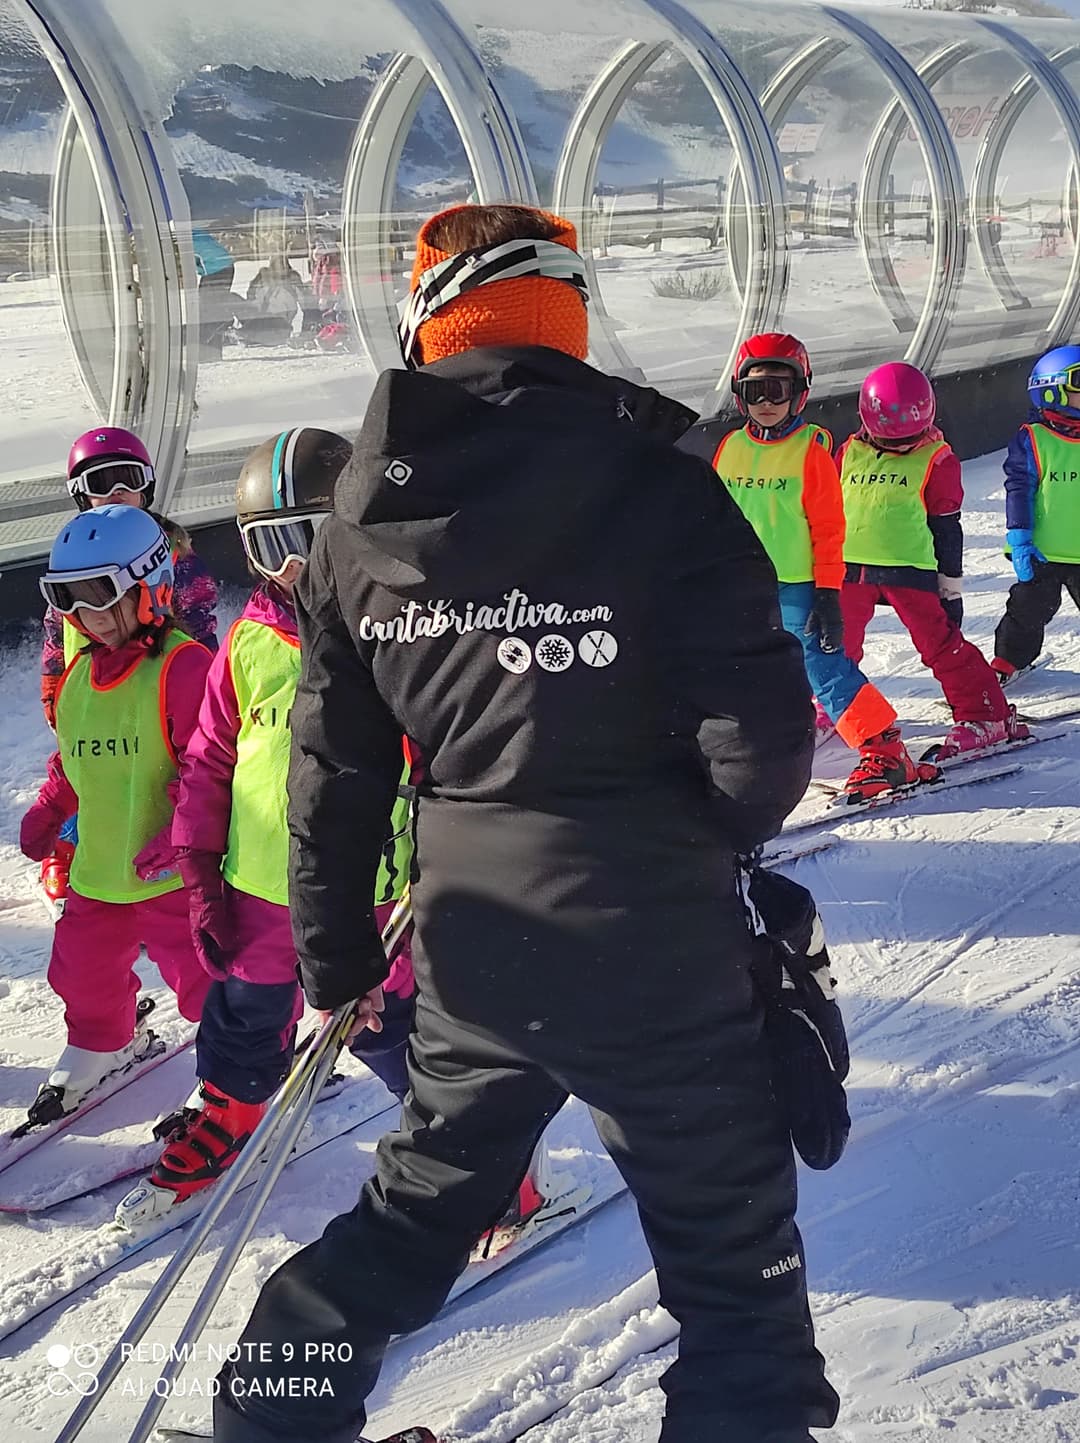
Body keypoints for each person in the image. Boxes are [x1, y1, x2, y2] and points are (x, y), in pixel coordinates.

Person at [212, 203, 837, 1443]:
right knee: (732, 1272)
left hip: (472, 948)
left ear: (431, 323)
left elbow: (335, 775)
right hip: (658, 945)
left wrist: (337, 959)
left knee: (415, 1209)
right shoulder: (664, 486)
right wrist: (686, 839)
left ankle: (271, 1417)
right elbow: (764, 733)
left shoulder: (352, 530)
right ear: (566, 322)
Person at [145, 428, 416, 1206]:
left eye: (315, 537)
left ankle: (458, 1142)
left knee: (391, 1022)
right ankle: (230, 1106)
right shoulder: (250, 641)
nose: (296, 566)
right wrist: (200, 870)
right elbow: (209, 759)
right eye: (272, 545)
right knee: (242, 1010)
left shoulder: (396, 638)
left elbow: (442, 769)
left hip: (369, 896)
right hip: (259, 889)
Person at [18, 505, 213, 1121]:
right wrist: (51, 808)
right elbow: (73, 758)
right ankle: (104, 1040)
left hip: (173, 875)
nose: (88, 618)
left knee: (203, 974)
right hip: (100, 870)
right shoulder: (78, 676)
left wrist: (181, 832)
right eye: (70, 600)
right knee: (81, 969)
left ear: (150, 585)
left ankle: (240, 1060)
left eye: (102, 597)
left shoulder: (183, 669)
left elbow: (210, 767)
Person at [711, 333, 920, 802]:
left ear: (800, 392)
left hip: (798, 583)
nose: (766, 403)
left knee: (821, 665)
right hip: (742, 582)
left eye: (778, 391)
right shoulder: (729, 448)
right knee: (740, 664)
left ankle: (885, 749)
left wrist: (827, 592)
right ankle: (752, 745)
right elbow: (715, 516)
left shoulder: (811, 448)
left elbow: (828, 527)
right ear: (738, 394)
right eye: (754, 391)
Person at [38, 426, 219, 910]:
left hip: (157, 687)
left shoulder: (172, 555)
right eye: (100, 482)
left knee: (149, 773)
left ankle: (168, 846)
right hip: (91, 686)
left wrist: (207, 684)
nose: (115, 493)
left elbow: (199, 622)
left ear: (148, 486)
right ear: (80, 495)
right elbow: (56, 630)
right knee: (91, 770)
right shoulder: (72, 554)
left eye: (127, 479)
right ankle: (69, 846)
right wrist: (55, 685)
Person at [836, 362, 1027, 758]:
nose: (903, 446)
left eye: (911, 436)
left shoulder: (937, 458)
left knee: (938, 643)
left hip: (910, 568)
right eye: (892, 439)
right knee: (834, 644)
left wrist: (950, 587)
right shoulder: (848, 452)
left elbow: (946, 527)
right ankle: (836, 707)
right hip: (849, 567)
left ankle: (985, 712)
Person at [991, 344, 1080, 681]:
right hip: (1044, 549)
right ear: (1053, 389)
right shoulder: (1033, 439)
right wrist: (1020, 538)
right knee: (1028, 609)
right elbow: (1019, 489)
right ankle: (1008, 661)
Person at [239, 255, 307, 347]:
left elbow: (302, 302)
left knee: (269, 320)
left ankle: (246, 334)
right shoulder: (263, 276)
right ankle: (242, 333)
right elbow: (251, 294)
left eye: (284, 263)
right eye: (279, 264)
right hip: (260, 315)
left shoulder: (291, 279)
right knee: (232, 298)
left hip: (280, 320)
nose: (283, 267)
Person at [193, 227, 238, 361]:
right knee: (209, 310)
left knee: (207, 311)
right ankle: (213, 353)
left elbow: (189, 262)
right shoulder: (192, 230)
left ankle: (207, 351)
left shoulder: (186, 237)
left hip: (217, 269)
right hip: (223, 267)